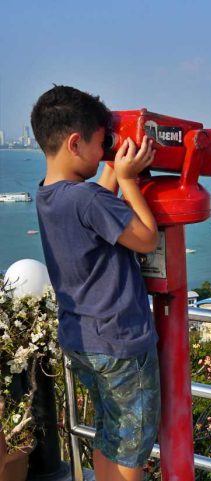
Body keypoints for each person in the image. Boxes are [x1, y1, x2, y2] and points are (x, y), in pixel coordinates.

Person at [31, 85, 160, 481]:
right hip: (121, 341)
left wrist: (110, 170)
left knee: (109, 436)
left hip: (83, 340)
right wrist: (130, 179)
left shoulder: (50, 195)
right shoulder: (87, 200)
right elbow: (145, 238)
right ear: (75, 142)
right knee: (130, 450)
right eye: (101, 143)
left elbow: (96, 209)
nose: (105, 151)